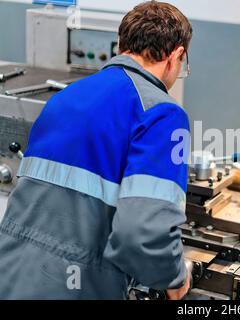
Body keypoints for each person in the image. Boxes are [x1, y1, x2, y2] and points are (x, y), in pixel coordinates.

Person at [0, 1, 192, 300]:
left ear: (122, 44)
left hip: (11, 274)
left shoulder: (66, 97)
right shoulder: (162, 113)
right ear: (176, 56)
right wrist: (174, 277)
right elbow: (142, 236)